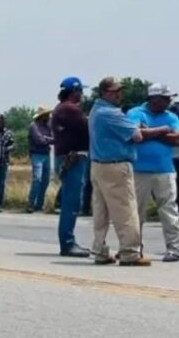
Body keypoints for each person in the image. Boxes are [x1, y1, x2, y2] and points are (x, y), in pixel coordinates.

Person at [90, 76, 168, 266]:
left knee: (101, 211)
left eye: (120, 90)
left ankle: (100, 250)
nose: (119, 94)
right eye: (115, 91)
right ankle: (130, 252)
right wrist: (160, 130)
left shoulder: (96, 110)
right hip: (116, 166)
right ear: (104, 92)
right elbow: (137, 135)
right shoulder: (111, 113)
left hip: (98, 165)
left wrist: (136, 127)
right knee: (125, 210)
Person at [127, 84, 179, 262]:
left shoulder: (171, 116)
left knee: (169, 209)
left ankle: (174, 248)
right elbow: (135, 135)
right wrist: (163, 130)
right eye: (165, 98)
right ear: (154, 98)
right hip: (139, 170)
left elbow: (177, 139)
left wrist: (150, 132)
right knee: (136, 211)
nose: (168, 101)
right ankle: (134, 248)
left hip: (165, 169)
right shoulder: (135, 113)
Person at [51, 77, 92, 257]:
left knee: (71, 201)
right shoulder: (70, 109)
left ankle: (68, 241)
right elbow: (88, 129)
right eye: (80, 91)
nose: (82, 95)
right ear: (74, 91)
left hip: (69, 157)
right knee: (71, 202)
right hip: (73, 158)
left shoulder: (62, 109)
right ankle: (67, 243)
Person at [27, 106, 55, 213]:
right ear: (42, 116)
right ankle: (30, 203)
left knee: (45, 180)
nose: (49, 116)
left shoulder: (48, 126)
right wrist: (48, 139)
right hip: (36, 155)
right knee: (37, 179)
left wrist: (47, 139)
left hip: (46, 154)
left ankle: (39, 204)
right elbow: (39, 140)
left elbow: (54, 139)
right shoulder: (33, 126)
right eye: (47, 114)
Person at [0, 114, 15, 209]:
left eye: (0, 122)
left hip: (4, 161)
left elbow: (12, 145)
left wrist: (7, 148)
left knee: (1, 183)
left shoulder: (8, 133)